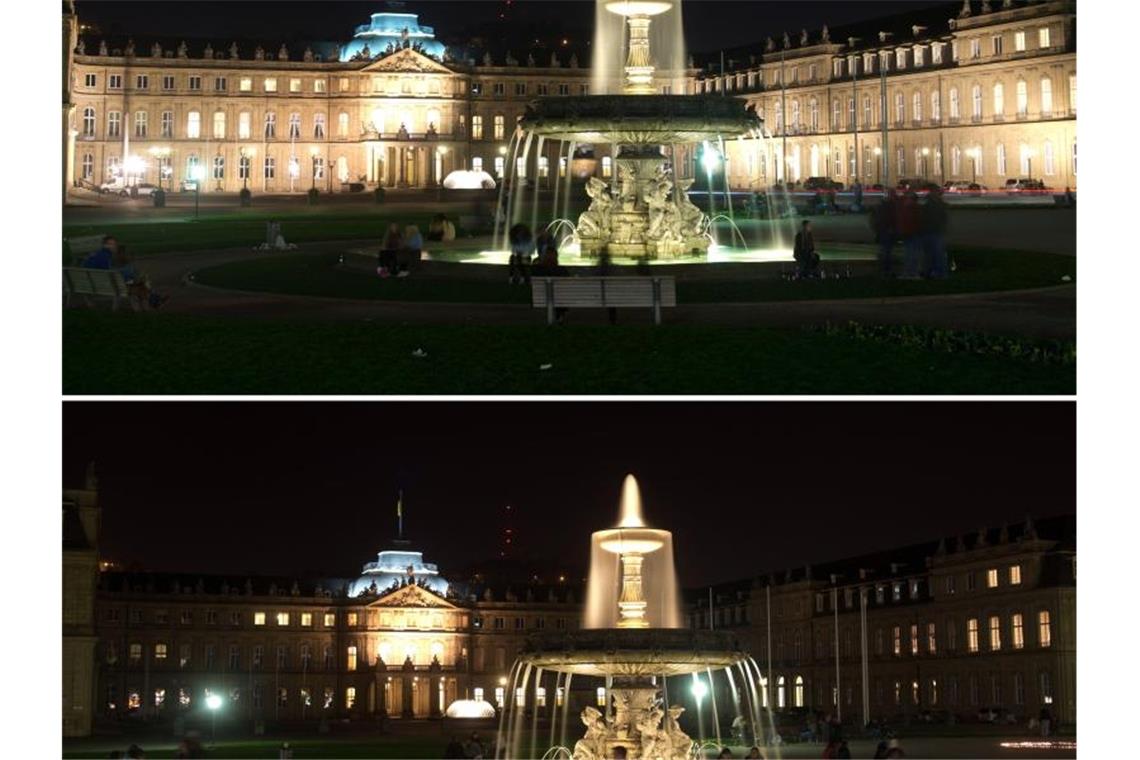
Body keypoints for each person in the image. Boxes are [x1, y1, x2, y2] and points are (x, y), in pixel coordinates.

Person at [532, 232, 570, 324]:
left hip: (542, 297)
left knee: (555, 294)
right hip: (559, 296)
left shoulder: (538, 269)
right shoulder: (561, 270)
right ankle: (560, 315)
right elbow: (567, 279)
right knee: (561, 294)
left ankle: (556, 316)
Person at [920, 187, 950, 278]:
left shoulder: (930, 206)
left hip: (932, 232)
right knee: (936, 253)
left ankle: (934, 271)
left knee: (934, 254)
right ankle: (936, 272)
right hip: (934, 231)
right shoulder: (940, 205)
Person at [897, 190, 923, 279]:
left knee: (911, 254)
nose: (906, 200)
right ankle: (911, 273)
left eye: (907, 198)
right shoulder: (910, 208)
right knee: (910, 254)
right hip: (909, 233)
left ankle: (911, 273)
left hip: (911, 233)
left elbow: (914, 221)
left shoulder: (912, 208)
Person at [873, 190, 898, 275]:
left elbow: (875, 220)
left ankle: (883, 269)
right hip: (888, 231)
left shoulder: (881, 206)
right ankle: (886, 269)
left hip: (883, 231)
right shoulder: (891, 206)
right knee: (886, 251)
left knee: (884, 250)